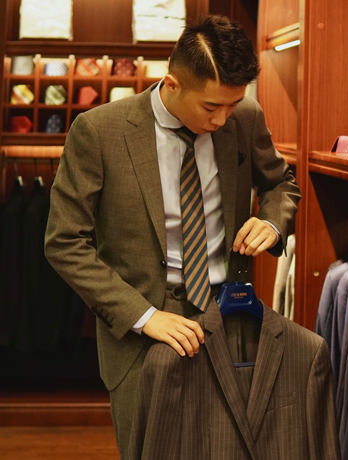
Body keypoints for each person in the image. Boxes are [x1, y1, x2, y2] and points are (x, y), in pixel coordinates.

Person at [44, 14, 301, 457]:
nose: (222, 119)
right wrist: (144, 315)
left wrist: (272, 222)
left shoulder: (244, 117)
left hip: (230, 319)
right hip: (141, 336)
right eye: (211, 107)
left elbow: (281, 183)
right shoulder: (99, 131)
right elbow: (64, 241)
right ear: (172, 83)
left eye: (233, 104)